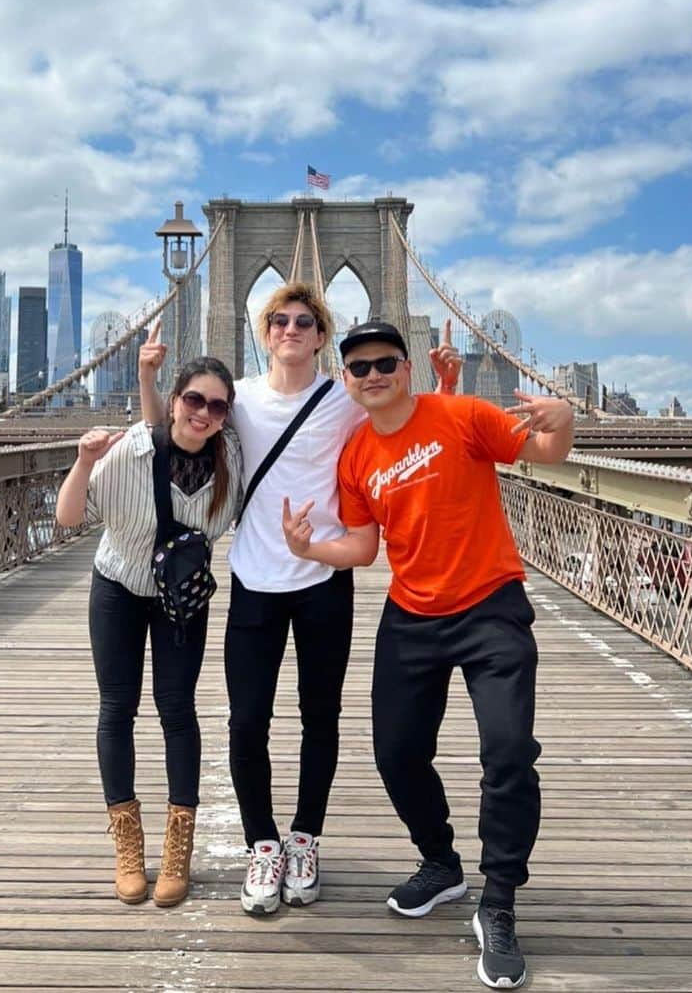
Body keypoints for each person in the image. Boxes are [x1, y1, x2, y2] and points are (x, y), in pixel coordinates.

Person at [139, 294, 461, 916]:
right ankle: (264, 843)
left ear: (320, 338)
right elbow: (169, 438)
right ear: (265, 334)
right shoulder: (240, 400)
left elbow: (413, 423)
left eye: (305, 323)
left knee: (322, 717)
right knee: (246, 721)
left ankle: (305, 838)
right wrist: (150, 378)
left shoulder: (348, 398)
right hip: (254, 583)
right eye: (280, 321)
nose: (291, 329)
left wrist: (445, 384)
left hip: (323, 583)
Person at [281, 320, 574, 990]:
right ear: (346, 381)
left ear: (406, 368)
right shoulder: (355, 455)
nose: (373, 374)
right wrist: (308, 551)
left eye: (385, 362)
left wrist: (566, 420)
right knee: (396, 753)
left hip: (490, 605)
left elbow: (548, 454)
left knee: (507, 752)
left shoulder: (463, 414)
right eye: (359, 368)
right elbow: (361, 548)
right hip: (412, 614)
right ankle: (440, 862)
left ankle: (498, 901)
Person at [56, 356, 243, 908]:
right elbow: (68, 518)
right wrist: (84, 460)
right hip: (117, 589)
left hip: (181, 598)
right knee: (117, 708)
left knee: (177, 710)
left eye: (217, 406)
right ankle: (129, 848)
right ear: (174, 402)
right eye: (193, 401)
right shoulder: (128, 451)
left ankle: (177, 849)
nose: (203, 414)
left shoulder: (232, 457)